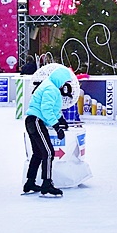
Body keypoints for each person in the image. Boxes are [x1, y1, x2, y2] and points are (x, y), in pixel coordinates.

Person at [23, 66, 72, 197]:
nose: (64, 84)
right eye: (64, 81)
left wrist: (61, 119)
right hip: (37, 121)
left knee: (38, 153)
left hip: (32, 120)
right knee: (49, 152)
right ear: (59, 78)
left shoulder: (49, 86)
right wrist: (57, 126)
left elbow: (52, 109)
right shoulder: (51, 88)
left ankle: (30, 182)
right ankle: (47, 184)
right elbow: (46, 110)